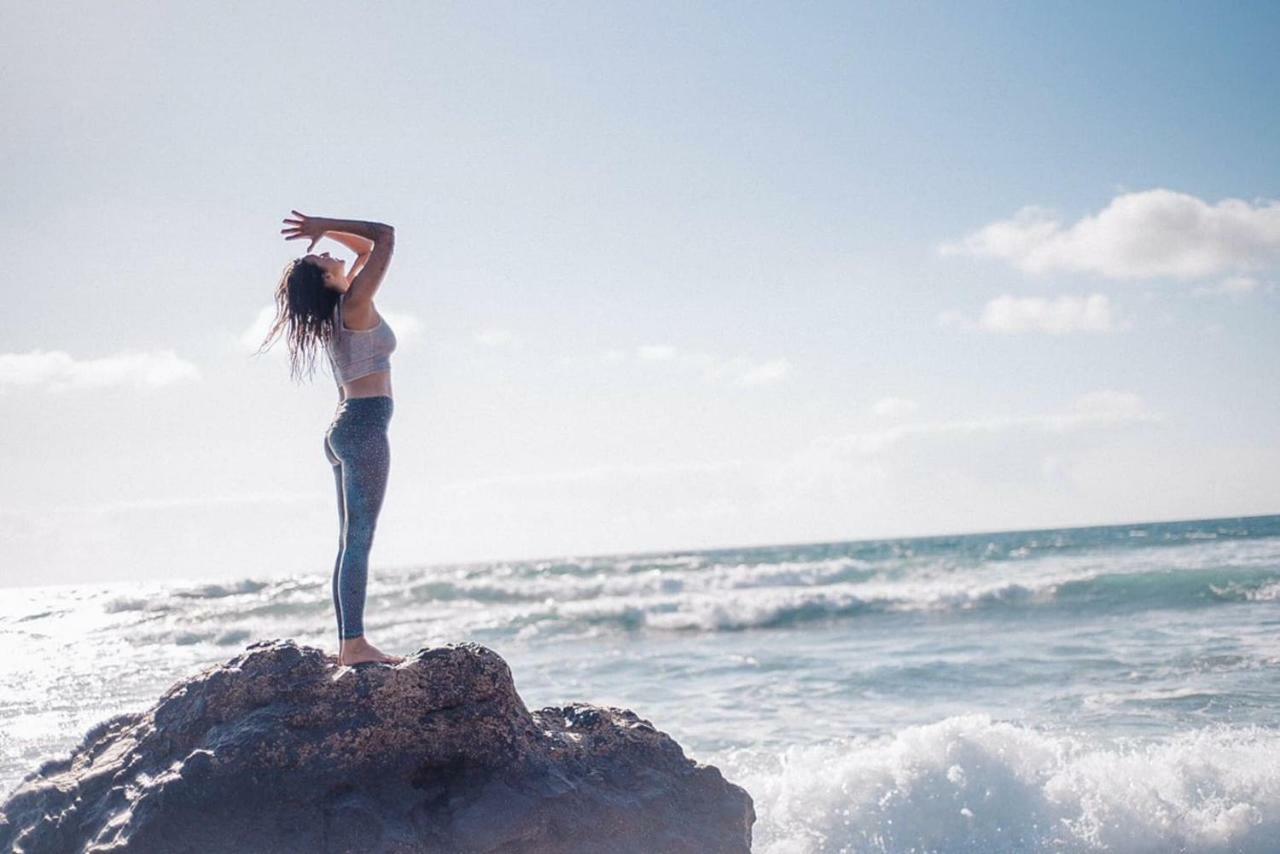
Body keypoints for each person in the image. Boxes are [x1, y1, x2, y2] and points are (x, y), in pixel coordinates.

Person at [258, 210, 405, 666]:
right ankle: (354, 645)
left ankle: (350, 644)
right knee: (358, 539)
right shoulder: (354, 305)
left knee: (349, 541)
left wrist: (327, 232)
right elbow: (383, 237)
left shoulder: (344, 306)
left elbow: (363, 250)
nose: (324, 251)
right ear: (324, 279)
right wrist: (322, 222)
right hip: (364, 427)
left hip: (345, 428)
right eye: (321, 258)